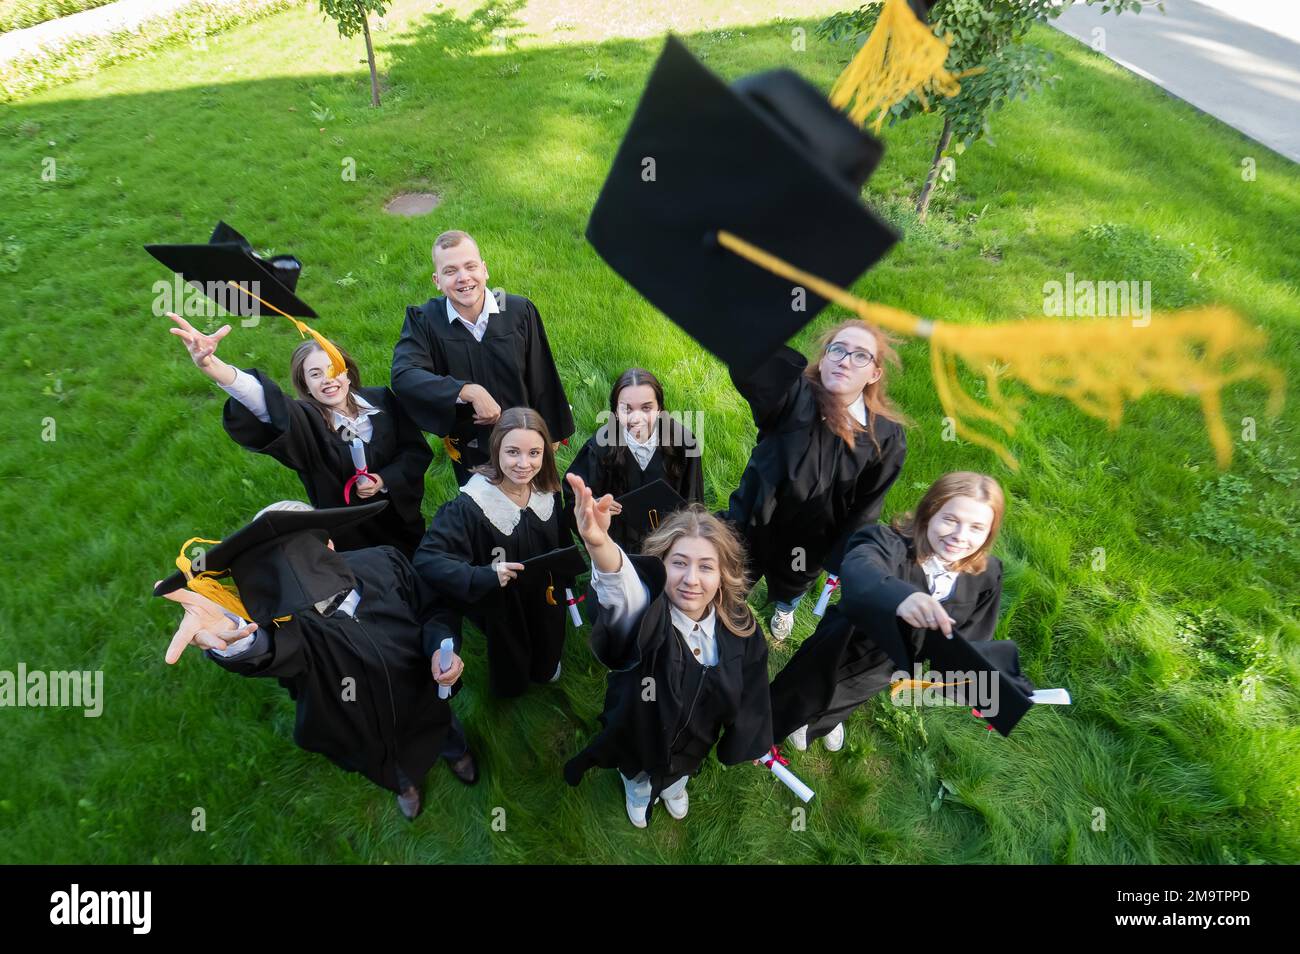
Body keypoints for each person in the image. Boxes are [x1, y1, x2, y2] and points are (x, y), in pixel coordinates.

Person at [154, 500, 479, 821]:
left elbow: (432, 609)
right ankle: (404, 785)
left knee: (439, 723)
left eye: (306, 556)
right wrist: (236, 635)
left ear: (330, 545)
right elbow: (271, 650)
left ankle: (456, 752)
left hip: (418, 681)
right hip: (348, 710)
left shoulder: (384, 562)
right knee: (379, 756)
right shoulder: (281, 620)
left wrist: (440, 646)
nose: (298, 576)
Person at [769, 471, 1034, 751]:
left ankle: (823, 721)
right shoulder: (888, 542)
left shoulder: (987, 575)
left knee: (851, 696)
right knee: (799, 692)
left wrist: (988, 690)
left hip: (890, 664)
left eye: (977, 528)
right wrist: (902, 598)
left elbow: (973, 637)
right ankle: (770, 731)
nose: (960, 536)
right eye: (950, 520)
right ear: (929, 512)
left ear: (989, 531)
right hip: (843, 643)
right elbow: (860, 568)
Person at [563, 474, 772, 829]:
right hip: (639, 725)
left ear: (723, 575)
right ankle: (639, 789)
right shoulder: (648, 616)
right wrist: (599, 544)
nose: (691, 578)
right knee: (636, 766)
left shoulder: (740, 626)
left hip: (696, 737)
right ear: (660, 564)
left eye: (706, 567)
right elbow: (624, 588)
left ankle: (674, 787)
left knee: (682, 768)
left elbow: (753, 686)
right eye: (679, 563)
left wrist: (751, 737)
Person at [166, 313, 432, 557]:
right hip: (354, 538)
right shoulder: (308, 423)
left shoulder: (381, 400)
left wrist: (383, 479)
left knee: (424, 571)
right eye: (315, 374)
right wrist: (212, 365)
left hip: (402, 520)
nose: (327, 380)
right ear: (306, 384)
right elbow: (264, 402)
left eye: (333, 369)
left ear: (348, 373)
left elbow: (414, 451)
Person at [725, 318, 907, 641]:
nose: (845, 360)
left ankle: (784, 609)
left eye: (860, 355)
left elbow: (867, 506)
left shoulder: (885, 437)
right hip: (754, 519)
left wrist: (841, 561)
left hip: (810, 542)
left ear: (874, 374)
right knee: (734, 577)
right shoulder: (791, 398)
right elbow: (751, 364)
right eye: (837, 350)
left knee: (791, 585)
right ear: (823, 360)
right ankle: (727, 615)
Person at [412, 408, 578, 698]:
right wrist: (483, 576)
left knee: (549, 628)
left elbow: (560, 540)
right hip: (503, 599)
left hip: (545, 590)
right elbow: (428, 559)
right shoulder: (471, 506)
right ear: (496, 449)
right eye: (513, 452)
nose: (524, 464)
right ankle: (514, 685)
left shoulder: (547, 489)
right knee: (511, 645)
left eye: (534, 453)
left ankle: (547, 665)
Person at [391, 230, 574, 486]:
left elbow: (541, 375)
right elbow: (404, 375)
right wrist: (467, 390)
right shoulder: (425, 321)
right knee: (484, 518)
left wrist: (550, 434)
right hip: (471, 449)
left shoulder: (518, 312)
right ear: (437, 280)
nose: (463, 278)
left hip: (525, 442)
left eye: (470, 266)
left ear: (484, 269)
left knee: (538, 511)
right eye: (450, 271)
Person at [563, 368, 703, 554]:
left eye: (646, 408)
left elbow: (693, 501)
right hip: (616, 549)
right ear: (615, 412)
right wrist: (593, 506)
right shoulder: (601, 446)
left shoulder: (683, 444)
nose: (637, 418)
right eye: (626, 408)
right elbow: (574, 498)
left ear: (659, 409)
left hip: (670, 544)